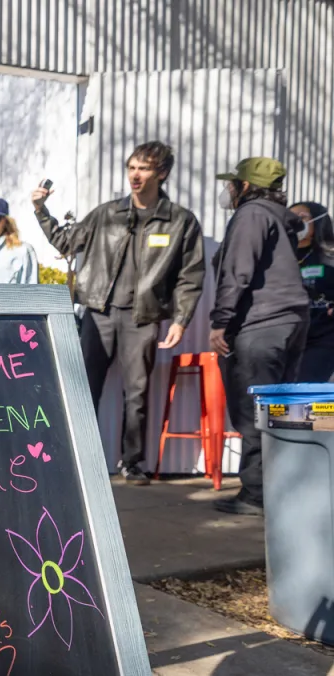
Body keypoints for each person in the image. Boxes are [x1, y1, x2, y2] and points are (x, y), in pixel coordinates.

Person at [32, 141, 205, 486]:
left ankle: (132, 463)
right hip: (99, 312)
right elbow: (67, 243)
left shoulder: (179, 221)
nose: (135, 175)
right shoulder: (107, 213)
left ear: (163, 173)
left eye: (144, 168)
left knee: (137, 394)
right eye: (131, 168)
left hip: (143, 317)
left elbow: (191, 274)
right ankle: (79, 460)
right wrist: (41, 210)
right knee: (83, 388)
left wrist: (182, 320)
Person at [210, 158, 310, 515]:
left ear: (247, 186)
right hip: (291, 320)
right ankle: (282, 491)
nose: (229, 191)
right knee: (280, 409)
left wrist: (220, 321)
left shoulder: (251, 214)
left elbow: (237, 271)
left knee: (253, 408)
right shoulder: (280, 221)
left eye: (233, 183)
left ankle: (256, 496)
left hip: (261, 324)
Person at [290, 201, 334, 382]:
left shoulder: (330, 256)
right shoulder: (282, 255)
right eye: (291, 217)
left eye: (302, 217)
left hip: (324, 335)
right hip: (290, 336)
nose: (295, 222)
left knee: (305, 385)